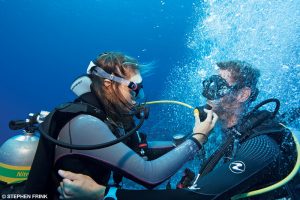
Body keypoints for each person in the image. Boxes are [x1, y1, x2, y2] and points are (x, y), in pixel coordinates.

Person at [57, 60, 297, 199]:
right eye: (208, 84)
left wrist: (104, 194)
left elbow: (197, 198)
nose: (207, 93)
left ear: (243, 95)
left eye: (217, 86)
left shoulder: (261, 144)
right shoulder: (223, 135)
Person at [22, 52, 218, 199]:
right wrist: (197, 140)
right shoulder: (85, 124)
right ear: (109, 84)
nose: (137, 97)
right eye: (133, 88)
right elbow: (149, 175)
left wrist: (188, 140)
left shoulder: (109, 119)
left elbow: (141, 151)